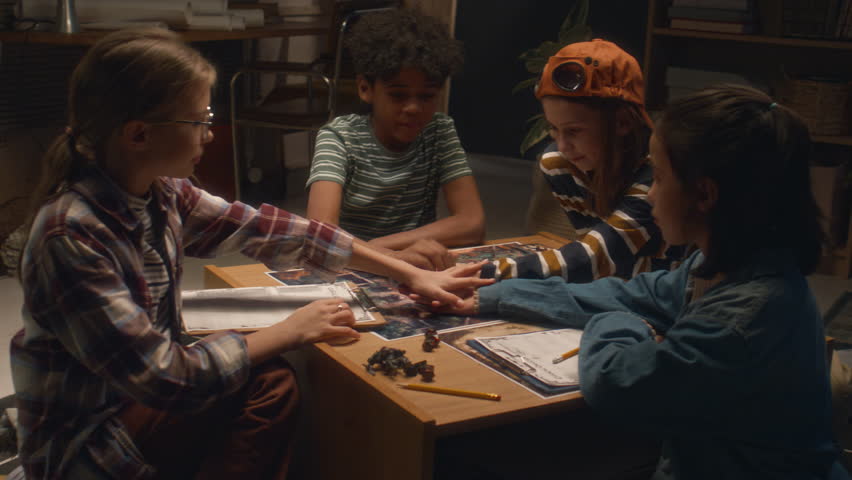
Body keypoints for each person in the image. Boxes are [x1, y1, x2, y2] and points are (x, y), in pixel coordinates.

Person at [10, 27, 492, 480]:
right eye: (200, 121)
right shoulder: (73, 236)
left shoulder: (164, 193)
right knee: (269, 380)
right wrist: (288, 331)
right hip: (84, 443)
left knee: (259, 370)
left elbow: (283, 232)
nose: (210, 134)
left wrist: (408, 273)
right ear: (138, 135)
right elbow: (168, 377)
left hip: (130, 401)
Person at [442, 85, 849, 479]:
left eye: (658, 177)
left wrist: (628, 324)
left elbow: (616, 381)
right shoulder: (721, 266)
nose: (649, 194)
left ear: (704, 194)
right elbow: (631, 293)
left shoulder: (739, 321)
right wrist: (493, 295)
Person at [481, 39, 683, 283]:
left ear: (622, 123)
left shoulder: (656, 177)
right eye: (554, 129)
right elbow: (597, 261)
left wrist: (483, 271)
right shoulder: (559, 164)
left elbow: (594, 259)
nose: (563, 146)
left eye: (574, 131)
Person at [306, 8, 485, 271]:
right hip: (354, 267)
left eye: (426, 97)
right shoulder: (339, 138)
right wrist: (387, 256)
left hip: (412, 263)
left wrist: (382, 245)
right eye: (398, 96)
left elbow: (472, 222)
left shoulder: (438, 130)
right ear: (365, 89)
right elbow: (321, 234)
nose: (413, 108)